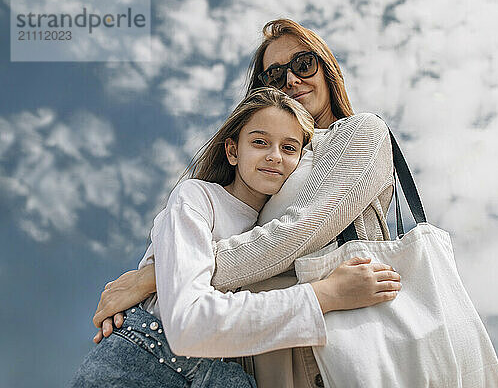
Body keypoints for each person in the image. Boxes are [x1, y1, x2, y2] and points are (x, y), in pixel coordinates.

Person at [93, 19, 397, 387]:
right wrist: (175, 272)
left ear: (327, 69)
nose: (290, 81)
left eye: (303, 65)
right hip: (264, 359)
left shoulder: (359, 131)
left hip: (352, 335)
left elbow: (301, 230)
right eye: (274, 76)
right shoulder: (254, 181)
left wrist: (157, 278)